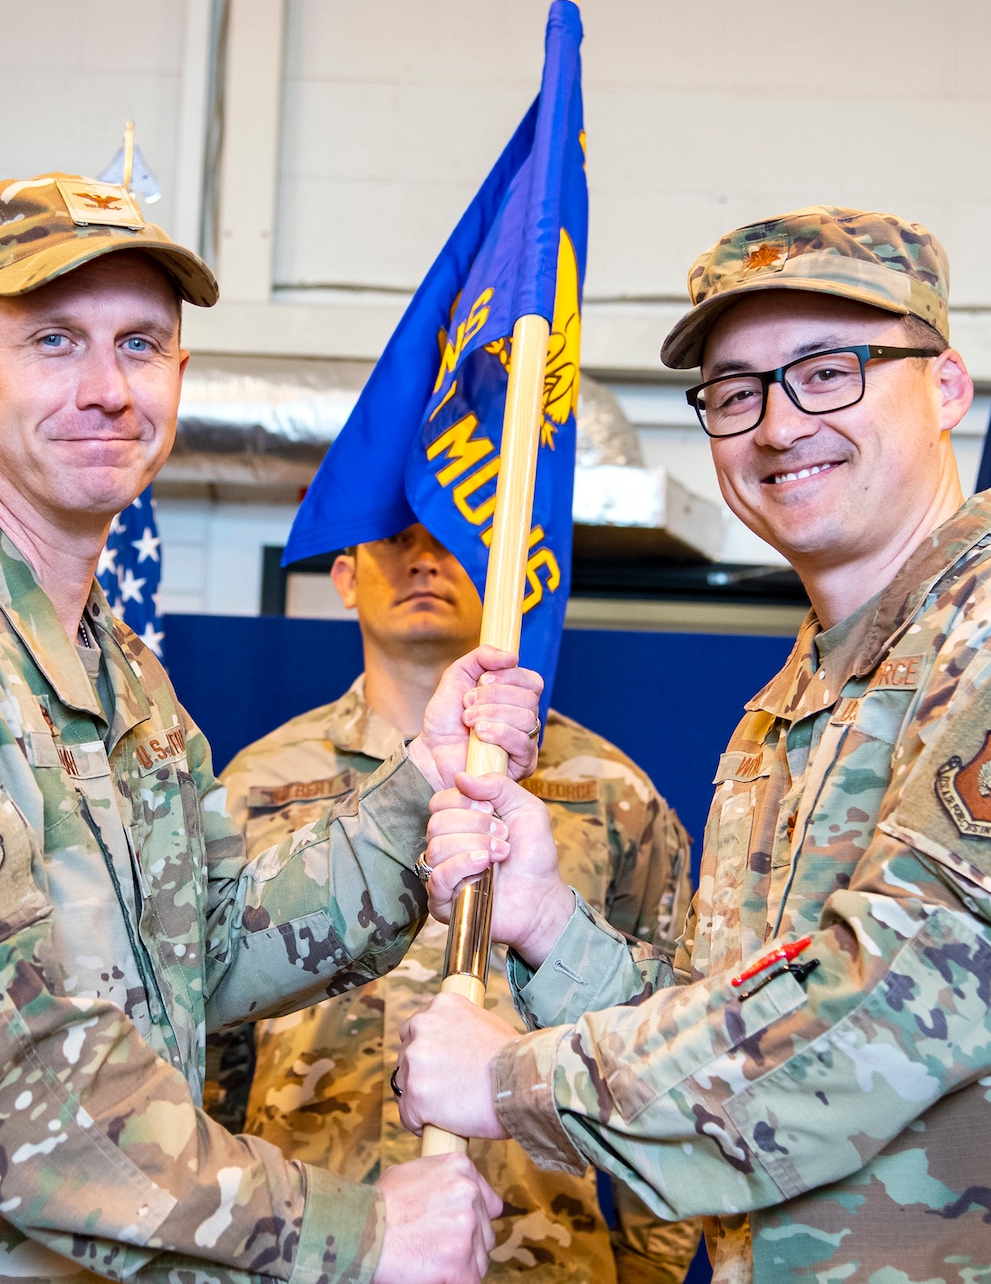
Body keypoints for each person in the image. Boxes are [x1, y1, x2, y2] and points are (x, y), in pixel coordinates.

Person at [0, 172, 549, 1284]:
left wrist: (414, 793)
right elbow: (1, 1077)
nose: (105, 388)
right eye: (52, 341)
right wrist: (356, 1232)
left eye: (141, 344)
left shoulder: (123, 680)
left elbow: (208, 945)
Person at [399, 207, 991, 1282]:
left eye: (828, 371)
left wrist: (510, 1082)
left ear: (946, 386)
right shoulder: (792, 700)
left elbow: (898, 1004)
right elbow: (743, 1015)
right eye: (735, 390)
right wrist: (548, 926)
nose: (775, 426)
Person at [204, 523, 700, 1284]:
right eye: (394, 540)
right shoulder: (254, 783)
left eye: (452, 540)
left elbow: (666, 1042)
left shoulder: (612, 793)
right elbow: (210, 1059)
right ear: (343, 577)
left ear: (508, 578)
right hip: (314, 1256)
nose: (425, 560)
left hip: (545, 1261)